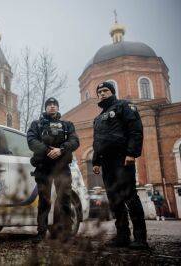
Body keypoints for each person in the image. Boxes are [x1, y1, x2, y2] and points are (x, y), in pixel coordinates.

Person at [92, 82, 148, 249]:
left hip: (122, 159)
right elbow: (98, 141)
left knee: (129, 196)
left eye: (105, 91)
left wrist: (132, 153)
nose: (102, 94)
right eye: (99, 92)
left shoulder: (124, 106)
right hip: (107, 162)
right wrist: (96, 161)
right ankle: (122, 236)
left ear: (112, 92)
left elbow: (135, 130)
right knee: (114, 199)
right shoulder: (98, 118)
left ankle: (140, 238)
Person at [27, 97, 79, 243]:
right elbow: (31, 141)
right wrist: (47, 150)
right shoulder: (36, 125)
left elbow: (75, 141)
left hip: (62, 167)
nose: (52, 107)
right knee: (44, 201)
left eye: (54, 104)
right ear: (45, 108)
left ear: (57, 107)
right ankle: (41, 233)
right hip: (43, 167)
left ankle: (66, 234)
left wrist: (61, 150)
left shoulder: (67, 125)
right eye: (49, 105)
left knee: (64, 200)